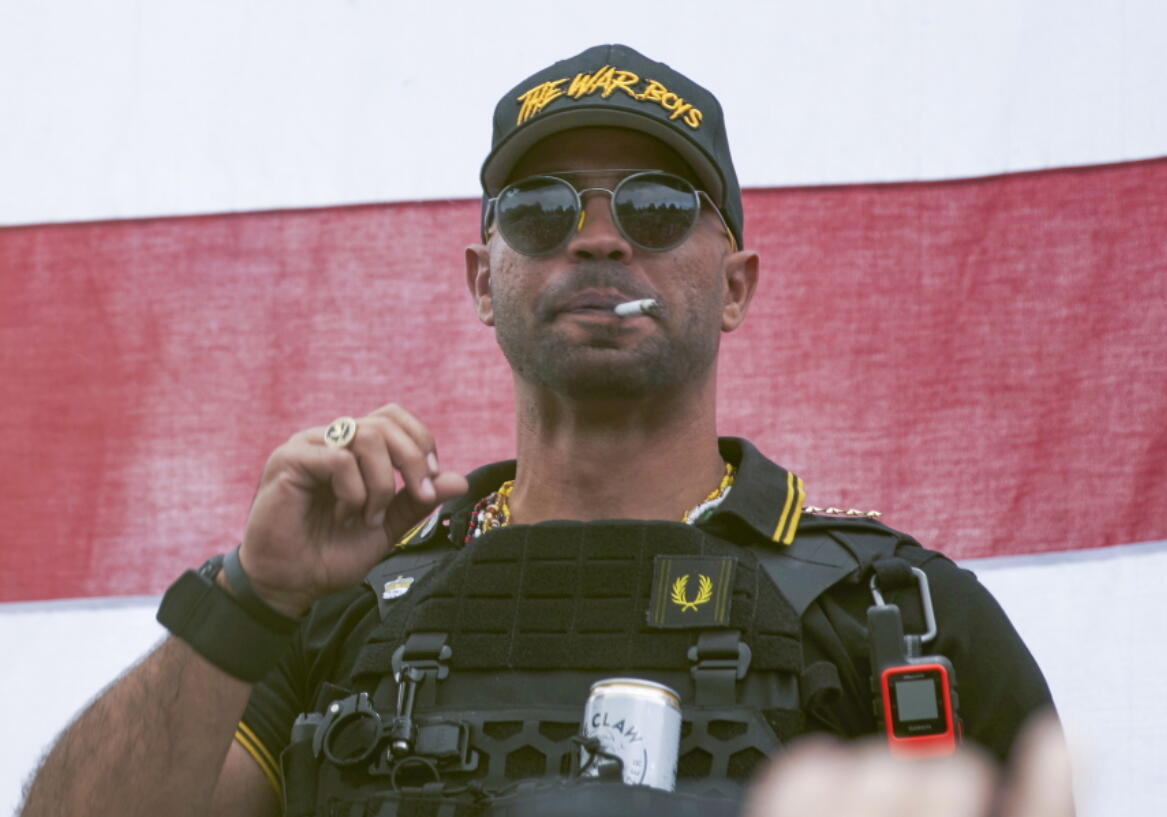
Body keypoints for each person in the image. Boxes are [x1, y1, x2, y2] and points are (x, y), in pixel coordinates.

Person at [20, 44, 1055, 817]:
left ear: (734, 285)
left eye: (654, 206)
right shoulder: (335, 614)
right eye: (539, 210)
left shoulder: (897, 615)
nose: (597, 237)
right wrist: (253, 596)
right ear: (483, 278)